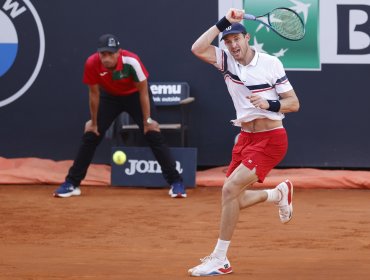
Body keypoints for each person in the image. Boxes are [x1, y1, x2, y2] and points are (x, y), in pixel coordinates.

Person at [188, 8, 300, 276]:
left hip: (271, 139)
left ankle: (220, 259)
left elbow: (294, 104)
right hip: (245, 138)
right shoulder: (227, 62)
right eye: (227, 41)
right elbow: (197, 48)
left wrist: (269, 103)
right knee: (233, 197)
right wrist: (225, 21)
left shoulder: (271, 63)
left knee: (228, 191)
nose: (232, 45)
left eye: (236, 39)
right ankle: (277, 194)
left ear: (247, 38)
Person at [53, 34, 186, 198]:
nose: (107, 58)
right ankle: (71, 183)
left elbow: (143, 91)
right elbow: (94, 95)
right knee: (91, 135)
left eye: (111, 54)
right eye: (103, 54)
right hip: (110, 97)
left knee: (152, 133)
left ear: (119, 52)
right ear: (98, 54)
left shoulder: (132, 62)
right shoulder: (92, 63)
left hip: (135, 96)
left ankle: (176, 183)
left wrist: (148, 121)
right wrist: (94, 123)